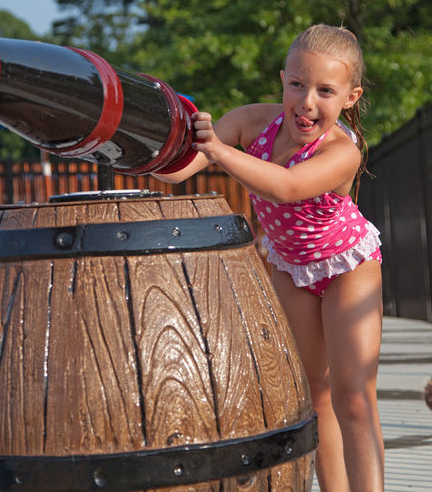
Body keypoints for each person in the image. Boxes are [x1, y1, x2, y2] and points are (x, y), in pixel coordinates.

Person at [157, 24, 385, 491]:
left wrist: (219, 150)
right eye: (297, 84)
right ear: (283, 79)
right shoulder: (253, 122)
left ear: (350, 97)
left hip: (348, 265)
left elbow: (286, 187)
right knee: (314, 396)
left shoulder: (343, 151)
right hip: (288, 266)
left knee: (354, 398)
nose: (306, 102)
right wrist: (139, 139)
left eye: (325, 91)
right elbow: (179, 171)